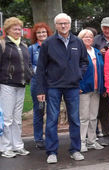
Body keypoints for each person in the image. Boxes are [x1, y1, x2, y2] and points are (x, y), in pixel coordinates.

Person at [36, 13, 88, 163]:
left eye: (65, 23)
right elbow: (40, 68)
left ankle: (75, 150)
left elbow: (84, 62)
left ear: (70, 25)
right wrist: (40, 90)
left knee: (75, 119)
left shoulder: (78, 42)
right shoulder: (48, 43)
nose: (63, 26)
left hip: (72, 87)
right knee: (52, 119)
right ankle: (51, 152)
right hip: (53, 86)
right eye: (60, 23)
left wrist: (78, 74)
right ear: (56, 26)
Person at [0, 17, 32, 158]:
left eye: (19, 28)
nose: (18, 31)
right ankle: (6, 148)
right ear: (8, 30)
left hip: (20, 85)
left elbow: (27, 65)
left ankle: (18, 146)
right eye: (15, 28)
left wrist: (30, 76)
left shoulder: (24, 45)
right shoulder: (1, 44)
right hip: (6, 85)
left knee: (17, 118)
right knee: (7, 119)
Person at [77, 29, 105, 152]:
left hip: (96, 89)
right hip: (83, 89)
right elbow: (75, 71)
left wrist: (102, 87)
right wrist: (77, 86)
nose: (88, 39)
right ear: (80, 39)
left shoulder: (97, 52)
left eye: (90, 37)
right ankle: (82, 142)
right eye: (85, 37)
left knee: (93, 116)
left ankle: (92, 141)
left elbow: (101, 70)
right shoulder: (78, 53)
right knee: (83, 117)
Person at [29, 22, 53, 150]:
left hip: (52, 83)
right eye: (39, 32)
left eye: (44, 32)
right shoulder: (32, 49)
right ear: (35, 35)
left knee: (52, 111)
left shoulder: (53, 46)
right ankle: (38, 138)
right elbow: (29, 66)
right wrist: (41, 70)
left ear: (48, 33)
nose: (41, 34)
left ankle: (50, 137)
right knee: (39, 110)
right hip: (37, 83)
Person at [93, 17, 109, 146]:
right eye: (105, 27)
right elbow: (90, 56)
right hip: (102, 78)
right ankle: (107, 135)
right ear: (101, 28)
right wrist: (99, 54)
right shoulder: (96, 40)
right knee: (103, 109)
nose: (107, 30)